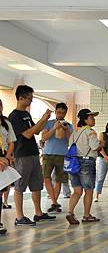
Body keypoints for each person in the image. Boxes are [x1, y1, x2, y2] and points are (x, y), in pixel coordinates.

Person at [8, 85, 56, 226]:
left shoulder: (26, 114)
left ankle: (38, 213)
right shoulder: (14, 116)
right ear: (21, 97)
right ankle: (19, 217)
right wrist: (42, 119)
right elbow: (28, 134)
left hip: (33, 153)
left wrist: (45, 120)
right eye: (29, 98)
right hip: (22, 154)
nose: (31, 101)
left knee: (36, 185)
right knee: (20, 186)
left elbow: (36, 131)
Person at [66, 109, 101, 225]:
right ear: (85, 120)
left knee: (76, 191)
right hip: (87, 163)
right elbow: (95, 146)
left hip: (74, 163)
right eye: (91, 118)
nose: (93, 119)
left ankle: (70, 212)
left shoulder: (74, 133)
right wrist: (102, 144)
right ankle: (86, 215)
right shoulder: (90, 132)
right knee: (89, 190)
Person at [40, 102, 73, 213]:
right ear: (55, 112)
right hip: (48, 154)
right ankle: (54, 201)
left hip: (62, 155)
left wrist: (66, 130)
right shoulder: (48, 123)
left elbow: (71, 142)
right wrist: (54, 128)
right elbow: (44, 138)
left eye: (63, 113)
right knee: (46, 178)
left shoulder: (69, 125)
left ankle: (54, 202)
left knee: (59, 179)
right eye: (59, 112)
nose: (61, 115)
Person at [1, 98, 17, 234]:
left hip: (3, 159)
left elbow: (11, 142)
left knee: (0, 192)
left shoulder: (6, 123)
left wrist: (7, 157)